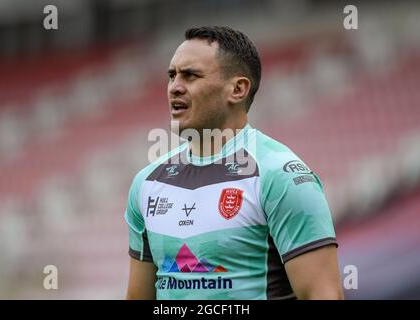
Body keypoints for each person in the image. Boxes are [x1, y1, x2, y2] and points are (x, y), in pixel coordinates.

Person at [125, 26, 344, 300]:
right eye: (172, 75)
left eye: (190, 75)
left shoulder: (281, 176)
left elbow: (323, 295)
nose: (175, 87)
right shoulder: (147, 183)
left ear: (238, 89)